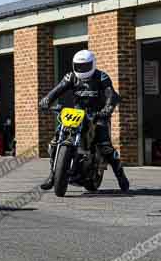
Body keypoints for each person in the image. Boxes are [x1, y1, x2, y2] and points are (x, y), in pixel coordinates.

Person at [39, 49, 129, 192]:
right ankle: (53, 175)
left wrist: (107, 109)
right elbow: (57, 90)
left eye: (85, 65)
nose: (82, 69)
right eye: (79, 66)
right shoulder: (71, 77)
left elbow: (110, 94)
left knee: (105, 145)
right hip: (77, 113)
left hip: (98, 114)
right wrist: (47, 100)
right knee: (56, 140)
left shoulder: (102, 77)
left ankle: (121, 176)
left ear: (93, 64)